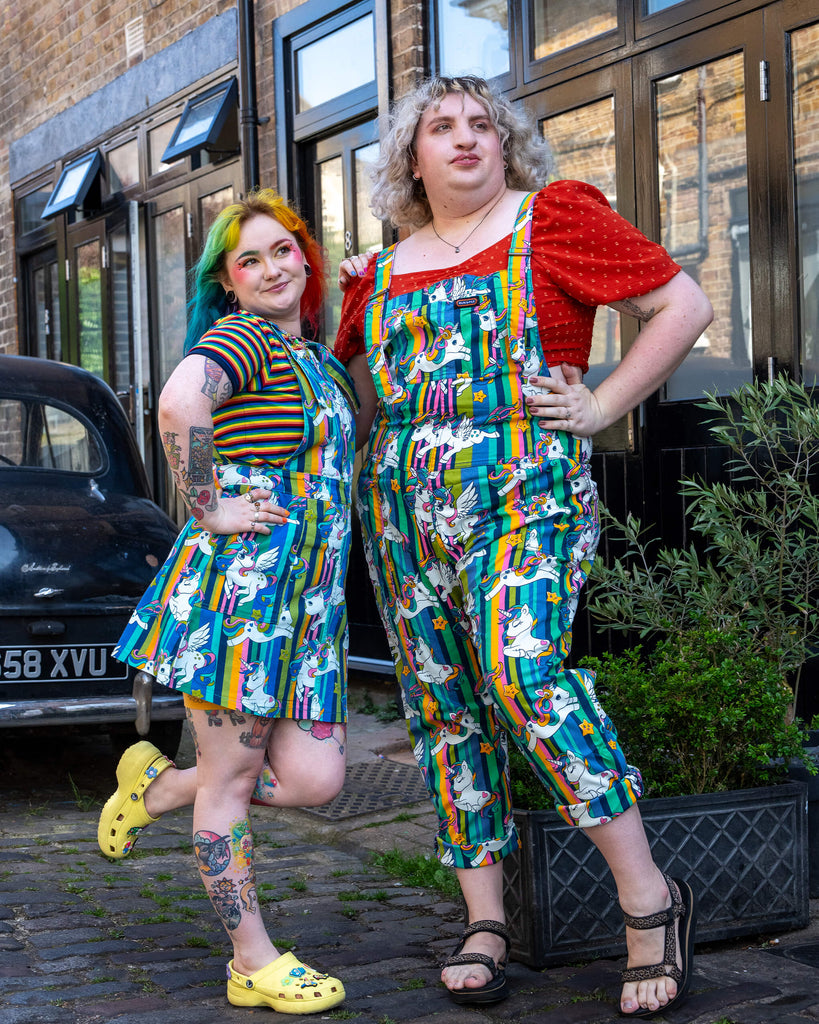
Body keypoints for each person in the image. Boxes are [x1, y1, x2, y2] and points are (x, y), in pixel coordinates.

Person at [335, 75, 713, 1018]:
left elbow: (684, 305)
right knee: (444, 704)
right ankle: (485, 920)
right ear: (410, 158)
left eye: (483, 126)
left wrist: (601, 405)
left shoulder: (555, 222)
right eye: (442, 127)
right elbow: (342, 390)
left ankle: (649, 902)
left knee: (524, 672)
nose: (466, 139)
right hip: (400, 508)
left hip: (524, 487)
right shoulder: (375, 275)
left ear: (505, 145)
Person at [97, 189, 358, 1015]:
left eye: (284, 250)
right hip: (242, 601)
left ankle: (158, 789)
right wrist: (208, 505)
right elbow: (179, 403)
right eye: (250, 260)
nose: (271, 267)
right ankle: (252, 959)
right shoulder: (244, 337)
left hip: (307, 612)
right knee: (233, 786)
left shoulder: (310, 351)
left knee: (315, 781)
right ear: (231, 281)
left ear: (303, 259)